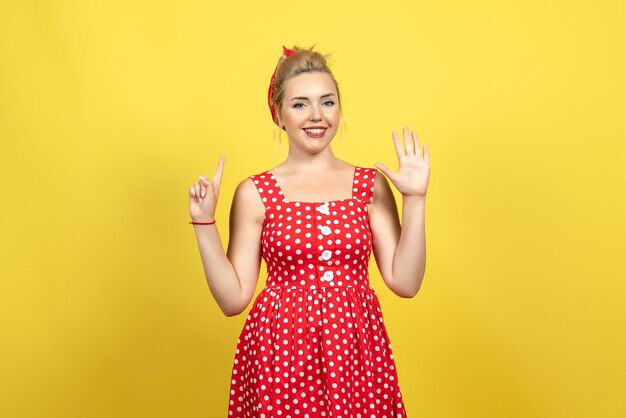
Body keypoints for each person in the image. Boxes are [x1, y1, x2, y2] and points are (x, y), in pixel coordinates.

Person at [188, 45, 429, 417]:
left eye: (327, 102)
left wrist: (414, 198)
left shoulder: (369, 185)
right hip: (280, 354)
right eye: (300, 104)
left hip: (356, 356)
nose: (316, 115)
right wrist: (204, 223)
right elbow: (233, 300)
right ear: (279, 116)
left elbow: (406, 282)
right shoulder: (255, 193)